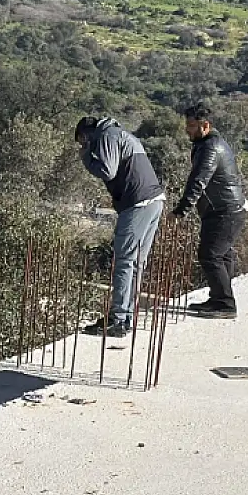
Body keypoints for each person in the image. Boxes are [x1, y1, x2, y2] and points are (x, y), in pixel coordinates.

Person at [75, 116, 166, 338]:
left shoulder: (106, 136)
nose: (83, 145)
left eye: (82, 141)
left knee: (125, 261)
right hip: (154, 201)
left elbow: (108, 171)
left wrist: (86, 156)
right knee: (136, 263)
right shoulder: (123, 135)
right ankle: (125, 317)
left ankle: (117, 320)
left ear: (86, 135)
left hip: (137, 203)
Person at [172, 103, 248, 320]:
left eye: (191, 125)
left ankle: (225, 304)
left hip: (225, 210)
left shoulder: (210, 148)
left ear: (205, 125)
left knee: (210, 255)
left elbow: (198, 181)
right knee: (222, 255)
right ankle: (219, 298)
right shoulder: (209, 144)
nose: (187, 129)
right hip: (225, 208)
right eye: (187, 125)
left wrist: (181, 210)